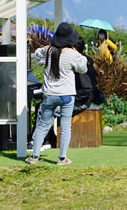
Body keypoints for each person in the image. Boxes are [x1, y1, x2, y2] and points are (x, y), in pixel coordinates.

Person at [27, 22, 88, 166]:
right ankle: (62, 158)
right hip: (67, 95)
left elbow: (37, 55)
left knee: (42, 125)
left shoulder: (48, 51)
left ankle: (34, 156)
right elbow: (83, 68)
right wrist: (78, 54)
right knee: (66, 126)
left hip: (49, 94)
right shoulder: (72, 54)